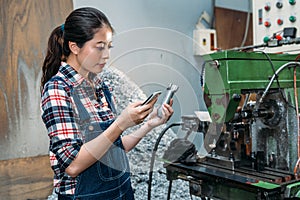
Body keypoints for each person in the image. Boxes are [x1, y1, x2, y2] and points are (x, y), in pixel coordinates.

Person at [40, 7, 173, 200]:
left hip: (121, 192)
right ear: (74, 47)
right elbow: (73, 165)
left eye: (109, 47)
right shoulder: (58, 90)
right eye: (99, 46)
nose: (106, 55)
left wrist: (149, 124)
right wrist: (120, 123)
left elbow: (114, 149)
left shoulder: (100, 87)